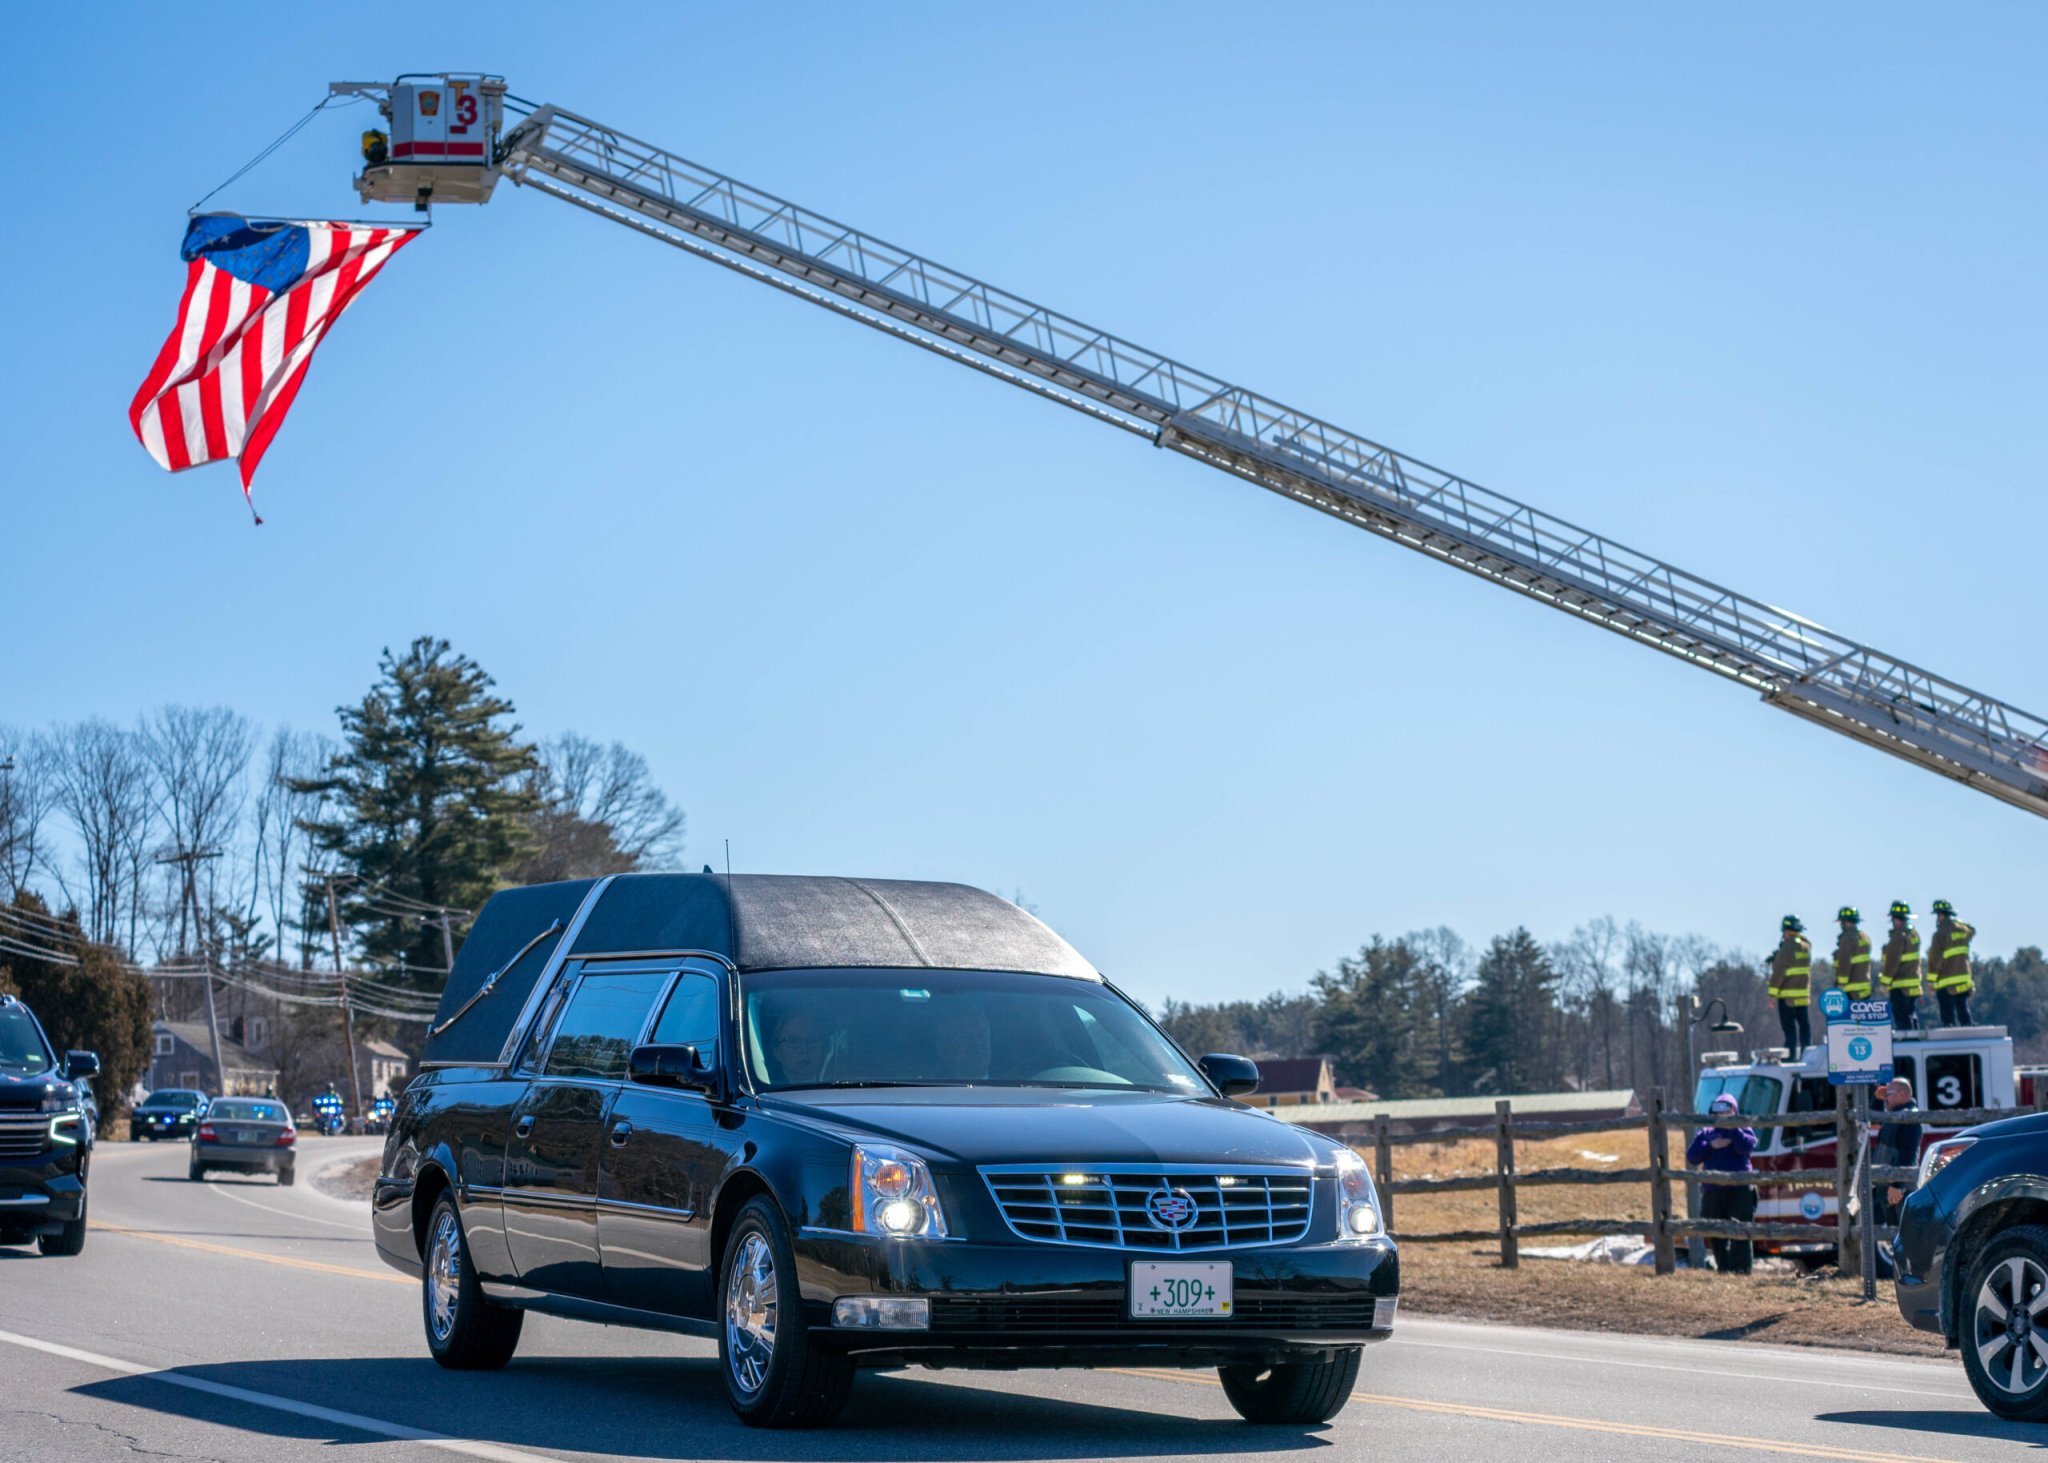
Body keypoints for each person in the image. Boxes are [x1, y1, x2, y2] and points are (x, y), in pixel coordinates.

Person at [1687, 1094, 1758, 1274]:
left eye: (1727, 1109)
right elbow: (1692, 1157)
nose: (1722, 1114)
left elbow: (1747, 1146)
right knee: (1715, 1232)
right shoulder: (1706, 1132)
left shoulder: (1743, 1127)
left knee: (1741, 1230)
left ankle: (1741, 1270)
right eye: (1718, 1110)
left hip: (1740, 1189)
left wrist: (1733, 1129)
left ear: (1734, 1110)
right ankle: (1724, 1269)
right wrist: (1711, 1145)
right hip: (1713, 1190)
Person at [1870, 1077, 1923, 1229]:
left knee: (1903, 1232)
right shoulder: (1893, 1114)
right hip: (1888, 1185)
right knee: (1894, 1231)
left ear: (1902, 1094)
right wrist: (1878, 1098)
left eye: (1888, 1094)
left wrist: (1897, 1185)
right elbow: (1873, 1118)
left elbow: (1908, 1153)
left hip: (1899, 1189)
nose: (1886, 1098)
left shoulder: (1909, 1116)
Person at [1766, 915, 1813, 1058]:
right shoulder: (1806, 947)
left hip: (1787, 998)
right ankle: (1807, 1054)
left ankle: (1791, 1056)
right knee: (1804, 1027)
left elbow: (1779, 972)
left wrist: (1772, 995)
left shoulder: (1786, 948)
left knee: (1790, 1030)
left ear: (1786, 931)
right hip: (1803, 997)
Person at [1928, 899, 1975, 1028]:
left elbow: (1935, 959)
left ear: (1941, 915)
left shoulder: (1939, 934)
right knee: (1962, 1007)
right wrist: (1958, 922)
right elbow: (1972, 930)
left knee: (1947, 1015)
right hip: (1964, 979)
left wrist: (1931, 981)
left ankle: (1949, 1029)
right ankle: (1969, 1028)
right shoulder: (1963, 930)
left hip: (1946, 981)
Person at [1882, 901, 1924, 1032]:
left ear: (1895, 919)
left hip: (1900, 985)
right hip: (1914, 984)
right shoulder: (1914, 934)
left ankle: (1907, 1040)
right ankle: (1915, 1037)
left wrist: (1885, 982)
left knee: (1902, 1017)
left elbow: (1892, 962)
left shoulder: (1898, 937)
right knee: (1911, 1013)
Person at [932, 1001, 992, 1082]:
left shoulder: (1008, 1082)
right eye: (966, 1037)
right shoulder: (927, 1085)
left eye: (982, 1035)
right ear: (944, 1048)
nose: (977, 1043)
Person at [766, 1009, 826, 1085]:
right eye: (793, 1041)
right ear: (776, 1052)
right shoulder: (764, 1089)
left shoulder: (838, 1087)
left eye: (812, 1041)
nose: (804, 1049)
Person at [1833, 907, 1873, 999]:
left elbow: (1844, 962)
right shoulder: (1865, 938)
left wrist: (1841, 983)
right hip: (1865, 988)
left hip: (1850, 991)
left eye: (1842, 923)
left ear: (1846, 922)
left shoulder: (1847, 938)